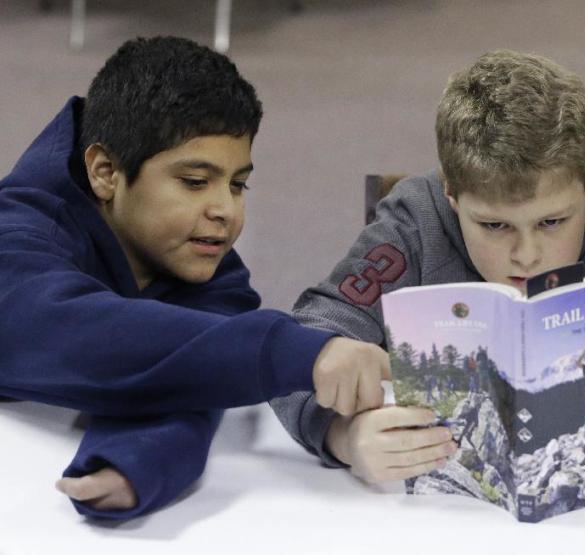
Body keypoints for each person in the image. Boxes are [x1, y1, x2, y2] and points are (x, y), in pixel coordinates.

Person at [272, 49, 585, 484]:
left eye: (554, 221)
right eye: (494, 226)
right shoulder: (415, 221)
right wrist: (341, 436)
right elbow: (303, 340)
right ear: (452, 195)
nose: (527, 254)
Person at [0, 36, 386, 519]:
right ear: (105, 171)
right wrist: (295, 351)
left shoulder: (208, 272)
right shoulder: (15, 235)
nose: (226, 210)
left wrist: (139, 460)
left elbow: (195, 371)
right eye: (195, 182)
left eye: (238, 184)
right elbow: (66, 330)